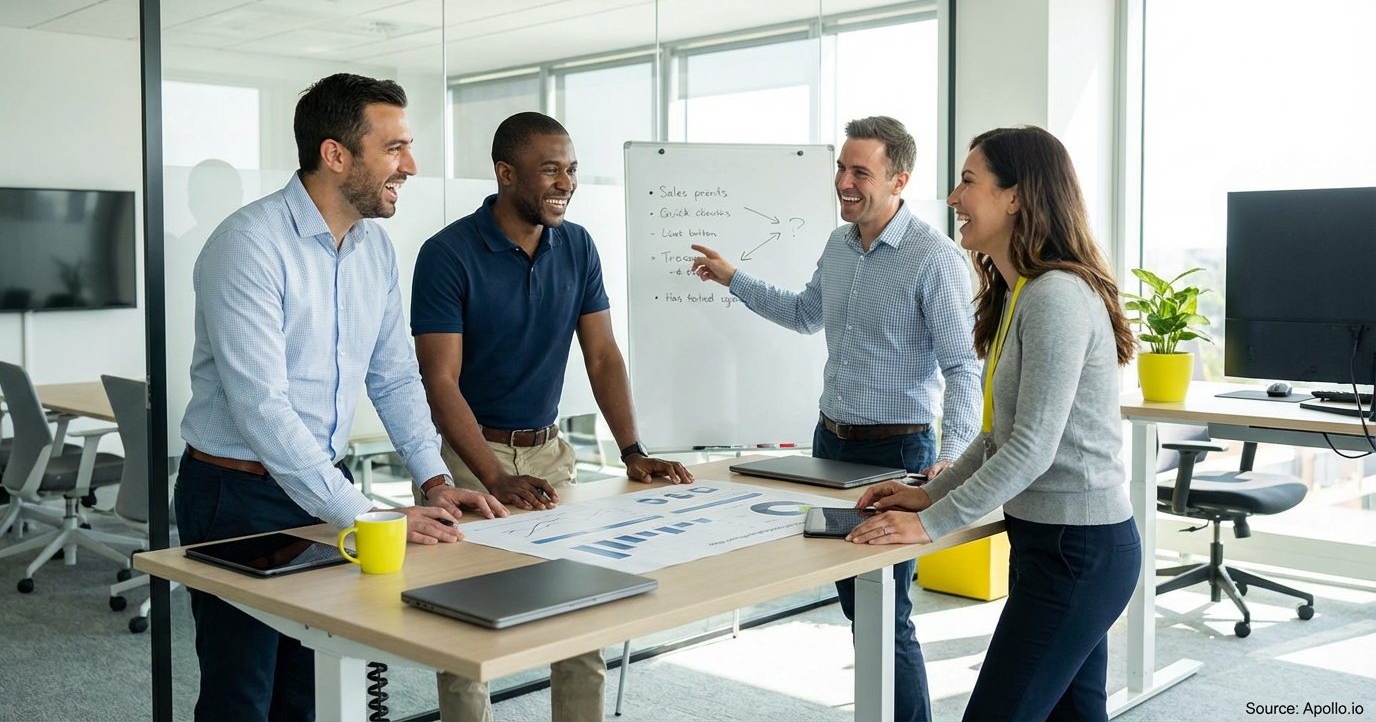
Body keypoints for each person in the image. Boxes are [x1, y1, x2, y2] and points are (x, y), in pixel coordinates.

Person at [175, 73, 507, 722]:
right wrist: (366, 517)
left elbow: (393, 378)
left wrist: (434, 479)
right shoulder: (249, 245)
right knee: (243, 695)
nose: (410, 166)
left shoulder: (373, 250)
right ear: (336, 155)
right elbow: (262, 407)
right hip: (238, 495)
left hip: (325, 484)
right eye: (394, 148)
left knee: (314, 684)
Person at [690, 115, 981, 722]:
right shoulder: (838, 246)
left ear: (899, 179)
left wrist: (951, 455)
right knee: (856, 600)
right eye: (842, 168)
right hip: (831, 444)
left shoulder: (936, 260)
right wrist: (732, 277)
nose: (844, 182)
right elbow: (803, 315)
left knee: (885, 610)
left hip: (898, 454)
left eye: (860, 172)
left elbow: (962, 367)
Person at [847, 125, 1142, 722]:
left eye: (968, 182)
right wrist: (926, 493)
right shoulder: (1020, 292)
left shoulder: (1056, 294)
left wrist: (930, 524)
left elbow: (1032, 449)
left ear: (1016, 196)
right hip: (1053, 546)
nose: (954, 198)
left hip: (1077, 552)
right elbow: (1000, 436)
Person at [411, 111, 695, 722]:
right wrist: (492, 476)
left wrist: (632, 450)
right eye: (550, 170)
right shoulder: (447, 254)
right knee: (468, 641)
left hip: (548, 456)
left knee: (581, 619)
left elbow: (601, 354)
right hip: (466, 459)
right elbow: (440, 382)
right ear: (506, 174)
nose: (565, 183)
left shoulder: (578, 245)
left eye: (571, 169)